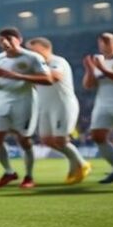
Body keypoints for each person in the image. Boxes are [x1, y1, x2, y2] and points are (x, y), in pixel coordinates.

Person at [0, 28, 52, 189]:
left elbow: (48, 79)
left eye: (9, 38)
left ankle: (29, 176)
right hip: (2, 101)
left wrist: (17, 76)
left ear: (19, 39)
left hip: (25, 100)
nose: (5, 42)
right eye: (1, 40)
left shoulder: (32, 57)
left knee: (23, 139)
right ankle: (9, 172)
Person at [27, 37, 91, 184]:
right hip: (45, 106)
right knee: (46, 139)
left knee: (60, 139)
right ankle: (76, 163)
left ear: (45, 48)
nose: (30, 53)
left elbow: (55, 77)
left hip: (62, 105)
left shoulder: (57, 61)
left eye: (32, 49)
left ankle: (81, 164)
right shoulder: (35, 67)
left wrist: (25, 76)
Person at [83, 33, 113, 183]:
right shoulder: (97, 60)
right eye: (100, 42)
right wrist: (91, 69)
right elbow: (88, 86)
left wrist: (102, 69)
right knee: (97, 136)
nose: (103, 44)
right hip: (102, 104)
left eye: (106, 41)